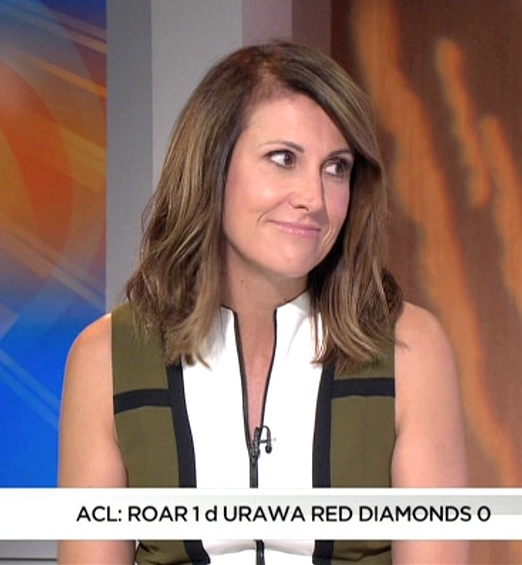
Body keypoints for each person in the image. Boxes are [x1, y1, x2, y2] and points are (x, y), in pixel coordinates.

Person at [58, 40, 468, 565]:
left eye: (336, 168)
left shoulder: (411, 349)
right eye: (284, 159)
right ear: (213, 167)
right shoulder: (107, 358)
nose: (313, 199)